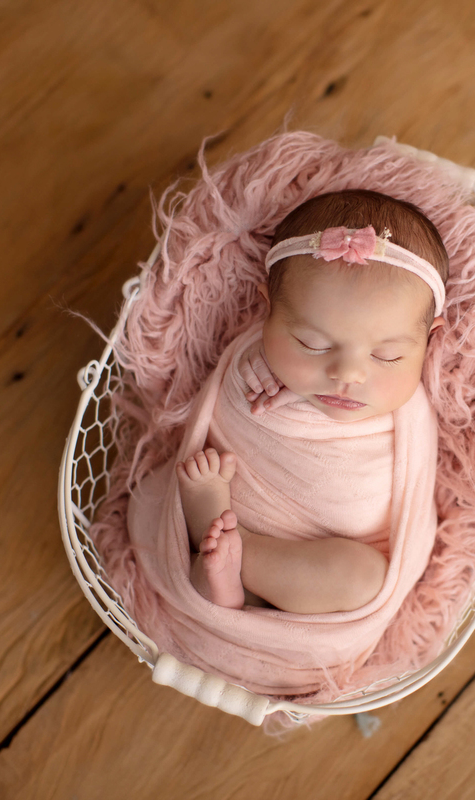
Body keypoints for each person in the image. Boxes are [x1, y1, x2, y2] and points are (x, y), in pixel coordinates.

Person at [172, 189, 448, 614]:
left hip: (317, 572)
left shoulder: (411, 416)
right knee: (203, 473)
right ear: (267, 314)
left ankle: (234, 559)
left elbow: (411, 509)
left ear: (429, 342)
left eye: (386, 355)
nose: (347, 374)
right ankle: (212, 546)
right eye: (311, 344)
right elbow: (228, 407)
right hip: (239, 513)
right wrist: (260, 365)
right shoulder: (255, 366)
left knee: (365, 578)